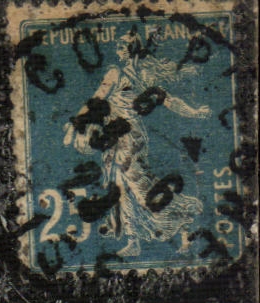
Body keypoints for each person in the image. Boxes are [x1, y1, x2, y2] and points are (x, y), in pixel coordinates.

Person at [65, 29, 211, 257]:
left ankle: (185, 220)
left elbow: (168, 101)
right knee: (121, 190)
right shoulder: (130, 73)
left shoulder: (134, 74)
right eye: (118, 47)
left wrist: (194, 112)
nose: (118, 50)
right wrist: (77, 122)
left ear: (132, 49)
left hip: (129, 140)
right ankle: (133, 241)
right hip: (121, 139)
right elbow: (97, 100)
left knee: (143, 192)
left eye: (122, 46)